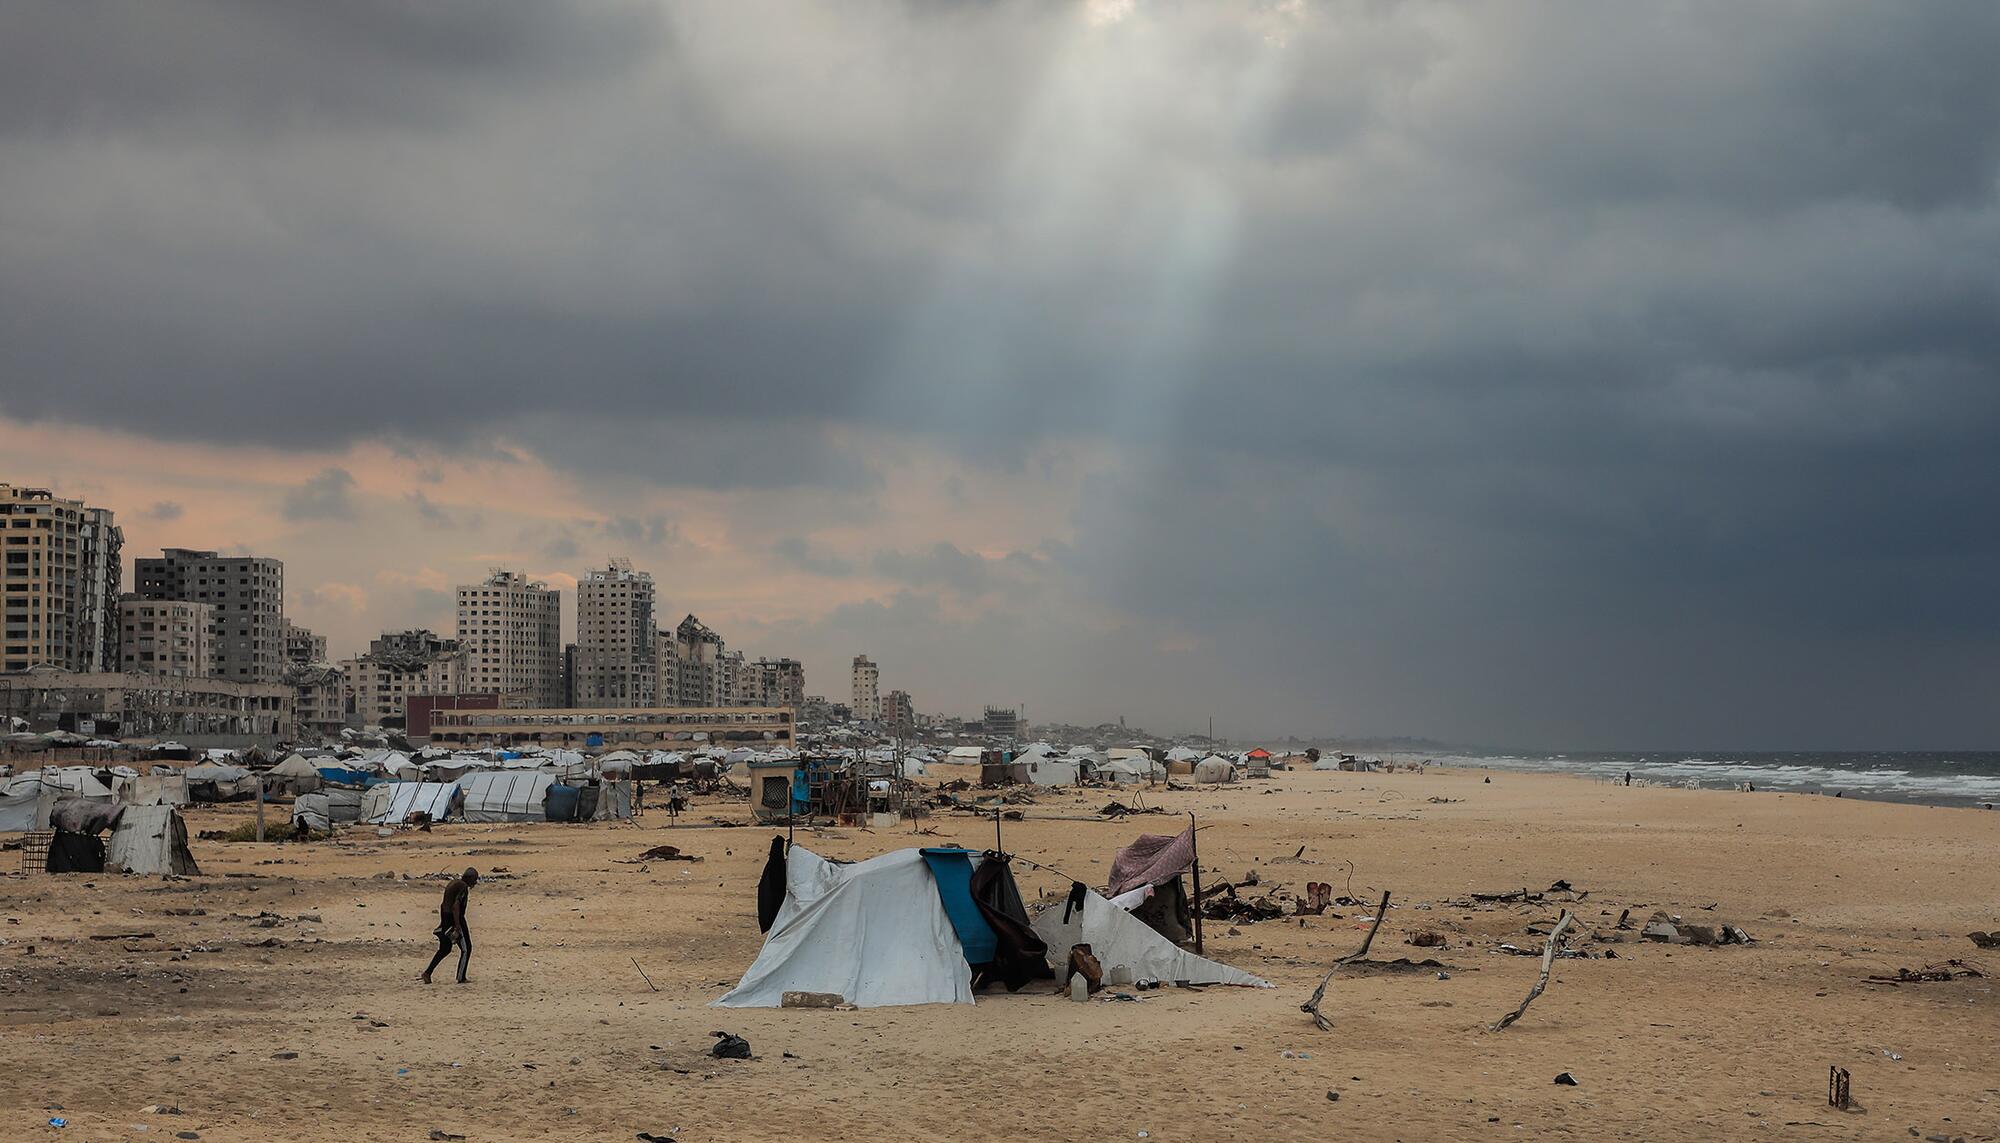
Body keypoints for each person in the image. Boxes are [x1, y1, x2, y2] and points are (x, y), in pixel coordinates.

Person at [421, 867, 478, 984]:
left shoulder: (453, 883)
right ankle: (461, 977)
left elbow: (443, 905)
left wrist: (444, 923)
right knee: (466, 949)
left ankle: (427, 973)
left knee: (445, 949)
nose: (475, 882)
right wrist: (457, 925)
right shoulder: (463, 887)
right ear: (470, 878)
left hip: (446, 919)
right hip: (455, 919)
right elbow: (455, 906)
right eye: (475, 879)